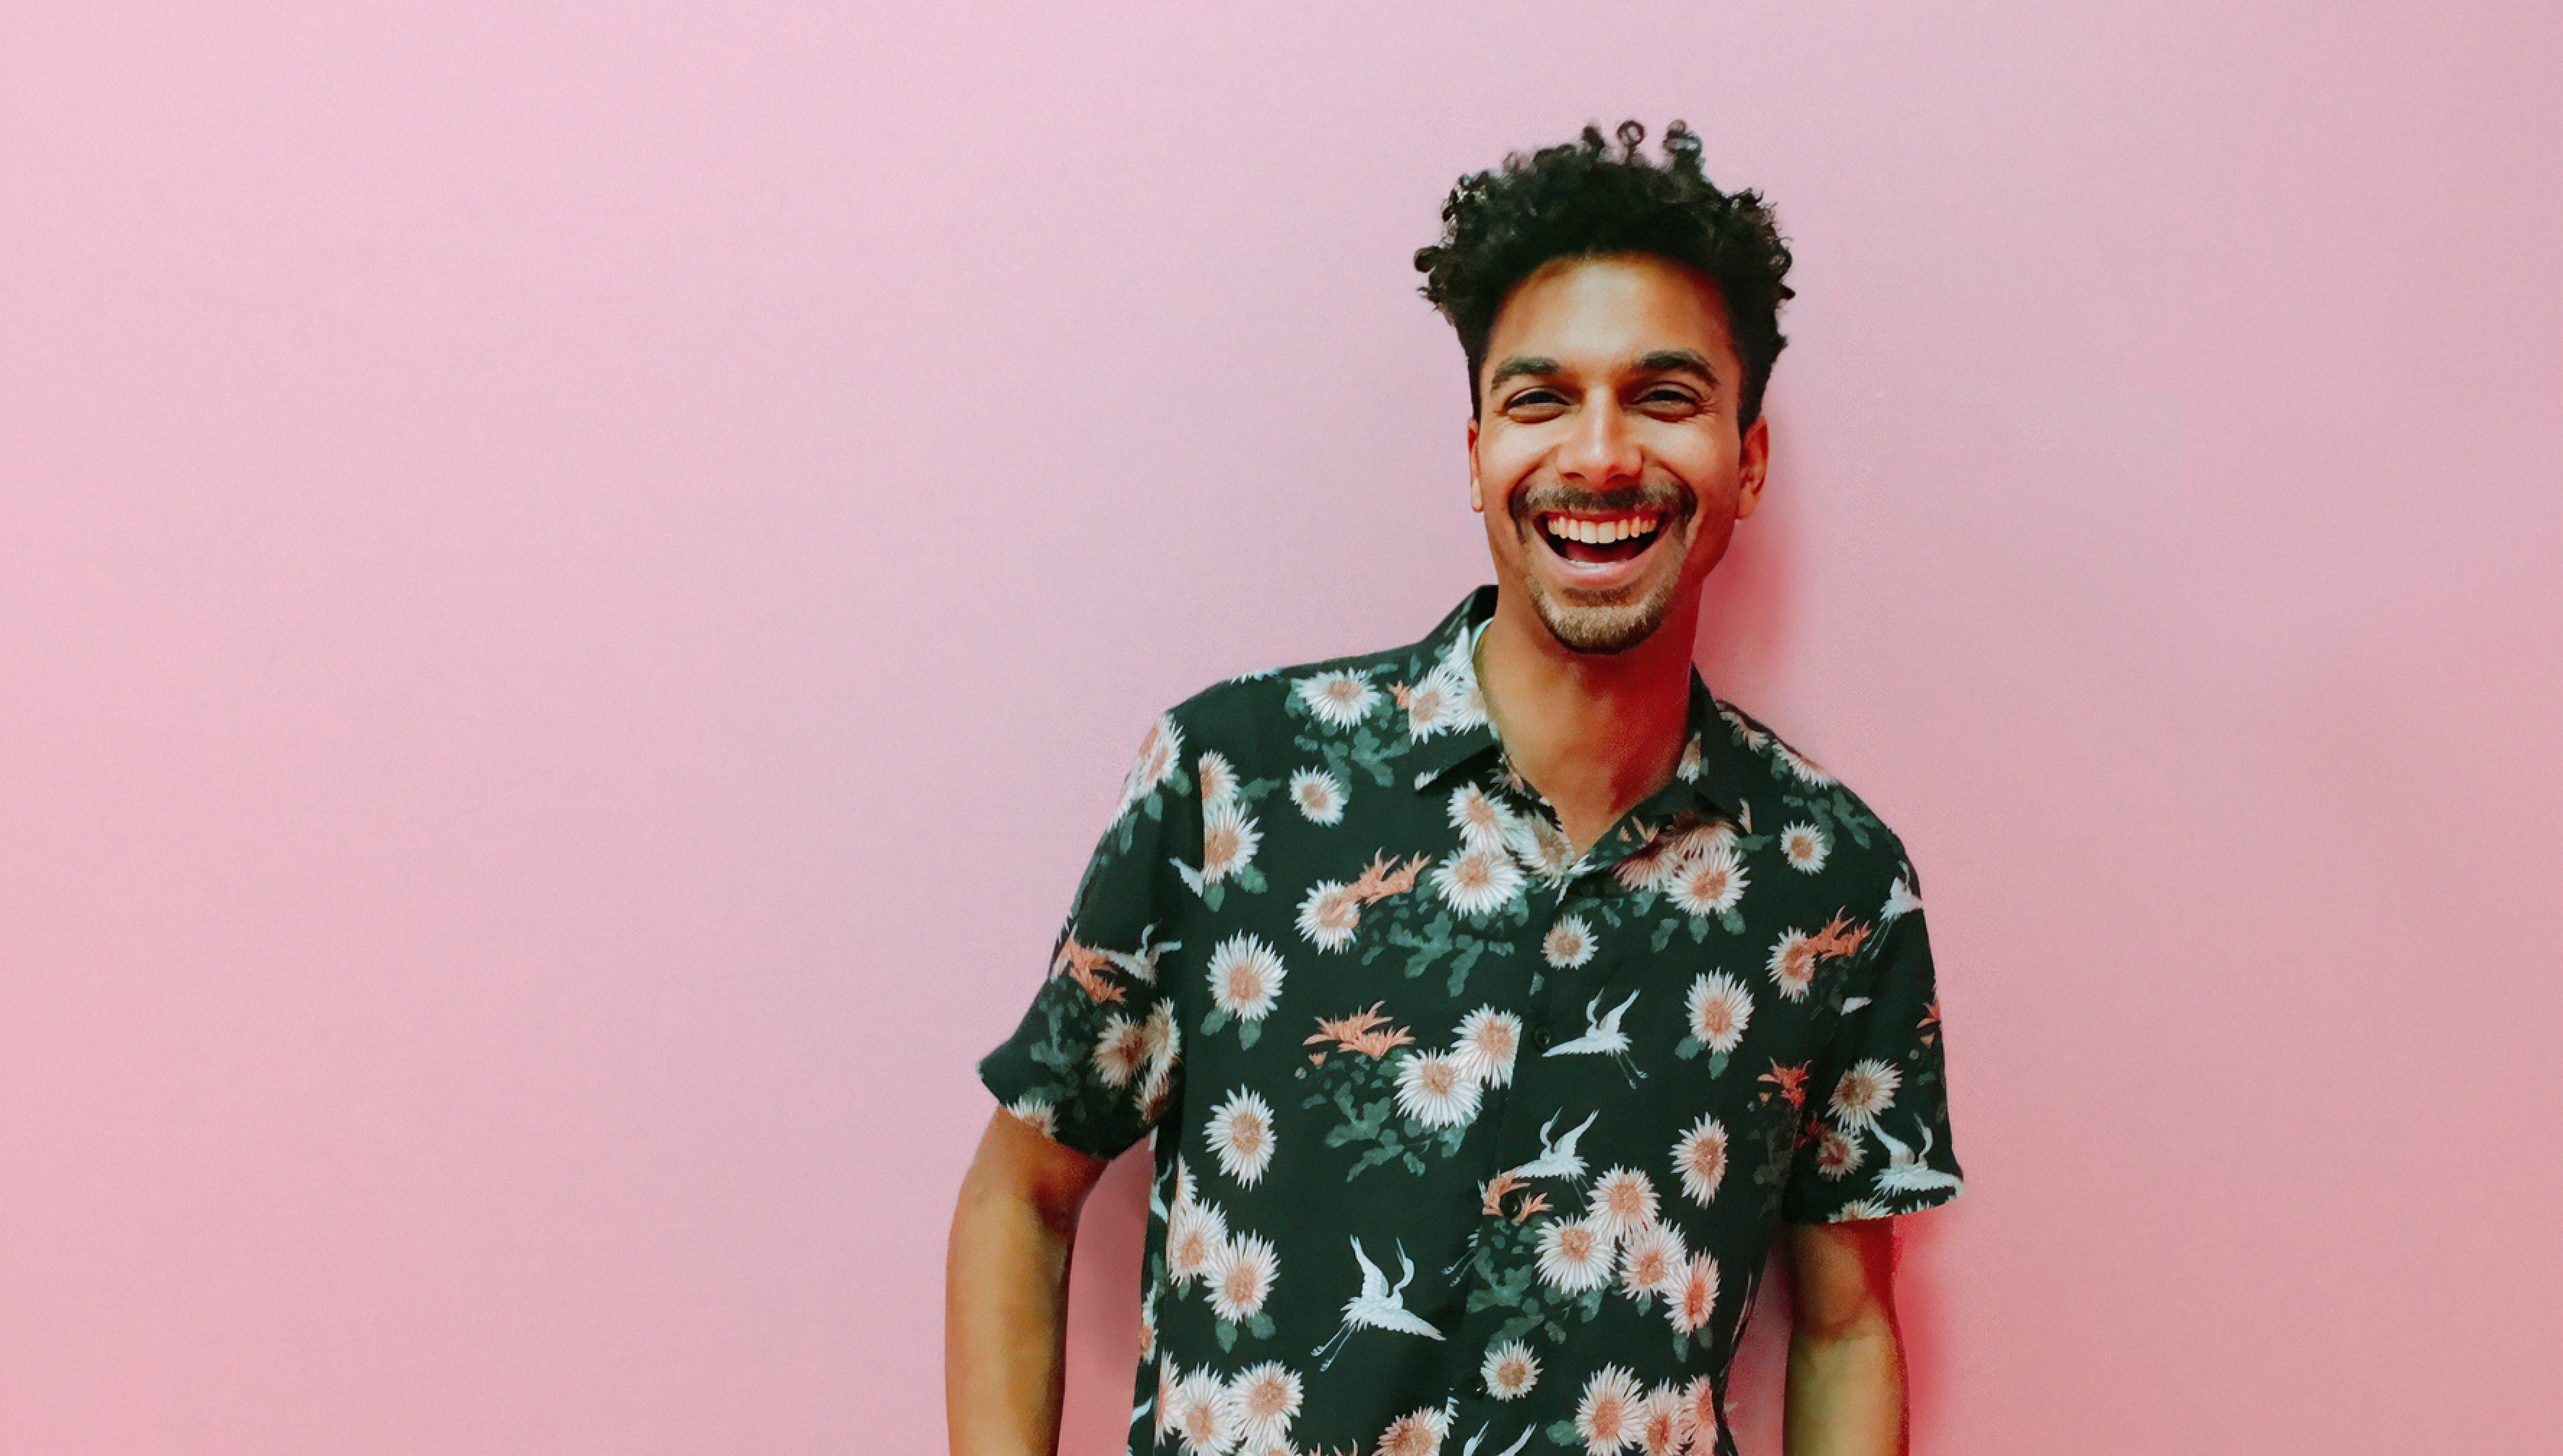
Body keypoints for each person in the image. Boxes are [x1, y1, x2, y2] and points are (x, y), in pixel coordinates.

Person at [947, 121, 1963, 1456]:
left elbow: (1844, 1327)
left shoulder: (1836, 885)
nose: (1601, 456)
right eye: (1542, 399)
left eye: (1664, 396)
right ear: (1478, 449)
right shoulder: (1236, 780)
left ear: (1749, 457)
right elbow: (1019, 1196)